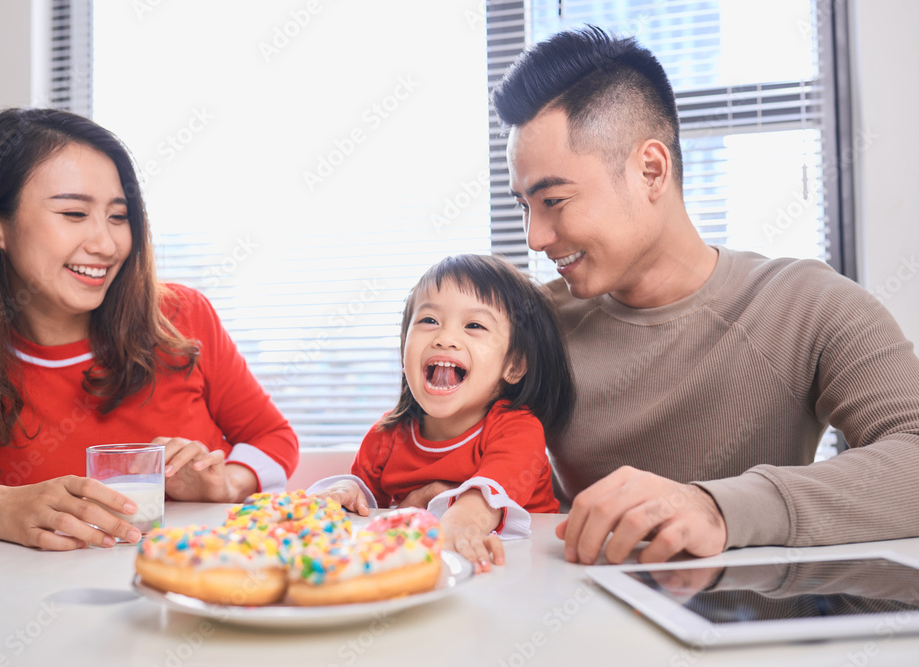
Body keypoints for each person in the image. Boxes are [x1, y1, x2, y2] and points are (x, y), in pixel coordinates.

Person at [490, 26, 919, 565]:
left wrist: (718, 508)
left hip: (749, 641)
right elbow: (433, 445)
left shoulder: (804, 305)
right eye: (524, 207)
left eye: (553, 199)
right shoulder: (534, 327)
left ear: (651, 170)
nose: (535, 237)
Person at [0, 108, 298, 550]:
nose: (106, 244)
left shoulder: (179, 317)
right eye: (75, 213)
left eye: (118, 217)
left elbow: (275, 439)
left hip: (210, 579)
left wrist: (225, 484)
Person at [311, 254, 574, 571]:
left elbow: (486, 499)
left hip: (519, 572)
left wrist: (461, 522)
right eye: (428, 321)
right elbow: (369, 509)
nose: (445, 338)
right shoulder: (385, 435)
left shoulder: (518, 429)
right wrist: (347, 494)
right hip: (431, 571)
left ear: (514, 365)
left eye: (474, 325)